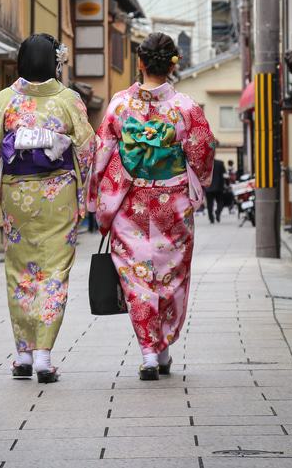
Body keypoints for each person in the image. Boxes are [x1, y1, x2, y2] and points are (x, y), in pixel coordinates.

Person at [88, 32, 216, 381]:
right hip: (172, 204)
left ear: (140, 62)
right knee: (171, 276)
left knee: (137, 279)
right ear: (173, 64)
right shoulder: (186, 108)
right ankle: (160, 348)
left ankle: (150, 352)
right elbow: (202, 151)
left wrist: (95, 197)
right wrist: (197, 181)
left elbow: (102, 153)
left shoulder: (119, 105)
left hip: (129, 203)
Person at [0, 34, 96, 383]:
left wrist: (13, 156)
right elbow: (88, 148)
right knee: (54, 271)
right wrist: (68, 164)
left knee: (19, 271)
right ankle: (44, 357)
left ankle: (22, 356)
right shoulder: (68, 99)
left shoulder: (6, 99)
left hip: (18, 193)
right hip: (59, 193)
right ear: (56, 62)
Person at [204, 158, 227, 223]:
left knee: (209, 204)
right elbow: (225, 175)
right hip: (219, 187)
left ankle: (211, 218)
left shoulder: (205, 164)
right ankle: (218, 212)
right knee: (220, 201)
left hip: (208, 187)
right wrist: (227, 183)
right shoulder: (220, 163)